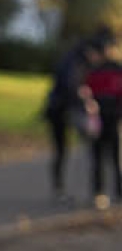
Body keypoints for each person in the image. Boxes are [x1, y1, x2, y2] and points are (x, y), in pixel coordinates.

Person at [43, 30, 109, 204]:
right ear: (92, 52)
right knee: (65, 150)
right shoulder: (76, 62)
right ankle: (61, 189)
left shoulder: (77, 59)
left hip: (65, 110)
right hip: (62, 111)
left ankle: (66, 189)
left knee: (66, 150)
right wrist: (85, 99)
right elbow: (70, 86)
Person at [83, 32, 122, 210]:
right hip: (101, 119)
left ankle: (107, 192)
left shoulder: (113, 70)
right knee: (105, 158)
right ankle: (101, 192)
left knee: (108, 158)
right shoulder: (96, 70)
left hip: (109, 118)